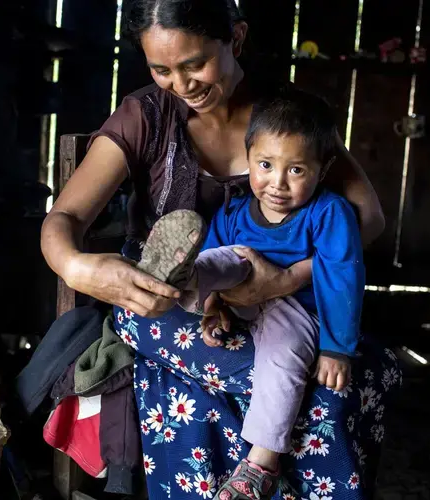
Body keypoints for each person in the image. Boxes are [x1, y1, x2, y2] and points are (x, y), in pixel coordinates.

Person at [41, 1, 402, 498]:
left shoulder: (287, 120)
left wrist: (287, 279)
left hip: (288, 302)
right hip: (169, 305)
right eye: (161, 69)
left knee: (345, 375)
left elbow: (367, 220)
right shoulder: (145, 115)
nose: (181, 84)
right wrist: (77, 266)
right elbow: (65, 218)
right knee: (320, 395)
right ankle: (192, 287)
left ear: (235, 39)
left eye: (194, 64)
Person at [134, 86, 365, 500]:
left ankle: (260, 465)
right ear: (249, 157)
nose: (278, 182)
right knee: (225, 257)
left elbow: (342, 276)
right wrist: (213, 308)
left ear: (323, 168)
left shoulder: (329, 213)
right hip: (240, 293)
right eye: (265, 164)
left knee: (283, 358)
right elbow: (222, 262)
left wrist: (336, 348)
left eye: (296, 170)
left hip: (294, 308)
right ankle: (178, 277)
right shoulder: (236, 209)